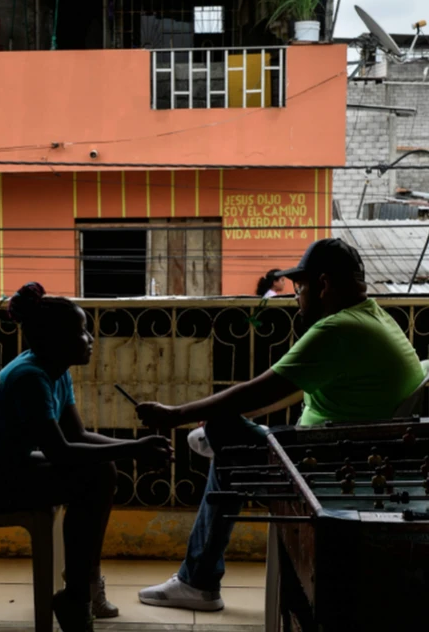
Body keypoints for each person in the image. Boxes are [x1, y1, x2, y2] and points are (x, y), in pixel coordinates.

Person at [135, 238, 425, 612]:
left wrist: (172, 415)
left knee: (225, 432)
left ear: (322, 285)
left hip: (321, 466)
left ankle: (198, 580)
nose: (296, 297)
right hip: (349, 451)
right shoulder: (376, 317)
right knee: (228, 443)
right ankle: (197, 575)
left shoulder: (336, 330)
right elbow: (289, 388)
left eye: (298, 288)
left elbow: (257, 390)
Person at [0, 282, 173, 632]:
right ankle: (79, 592)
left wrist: (137, 444)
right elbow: (61, 452)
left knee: (101, 470)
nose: (90, 338)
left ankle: (81, 587)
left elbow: (77, 435)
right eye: (82, 331)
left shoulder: (53, 371)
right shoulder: (30, 378)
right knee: (95, 477)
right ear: (55, 340)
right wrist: (135, 449)